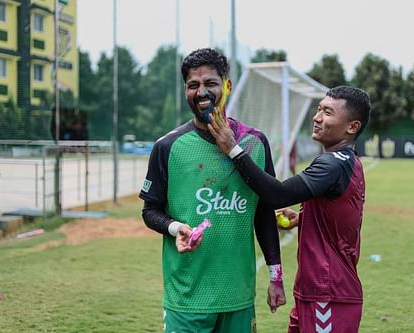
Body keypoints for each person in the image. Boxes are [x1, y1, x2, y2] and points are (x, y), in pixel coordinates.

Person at [139, 48, 286, 333]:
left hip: (238, 297)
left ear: (227, 86)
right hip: (186, 298)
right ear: (185, 91)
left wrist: (275, 275)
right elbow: (150, 212)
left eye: (210, 83)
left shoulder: (255, 143)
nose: (201, 91)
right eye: (193, 85)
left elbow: (264, 212)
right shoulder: (167, 147)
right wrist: (175, 227)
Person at [208, 86, 371, 333]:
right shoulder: (349, 162)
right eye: (318, 109)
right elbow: (340, 215)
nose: (317, 118)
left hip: (329, 293)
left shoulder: (332, 164)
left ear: (352, 126)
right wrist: (304, 218)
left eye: (328, 112)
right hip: (315, 291)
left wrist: (234, 150)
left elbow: (278, 194)